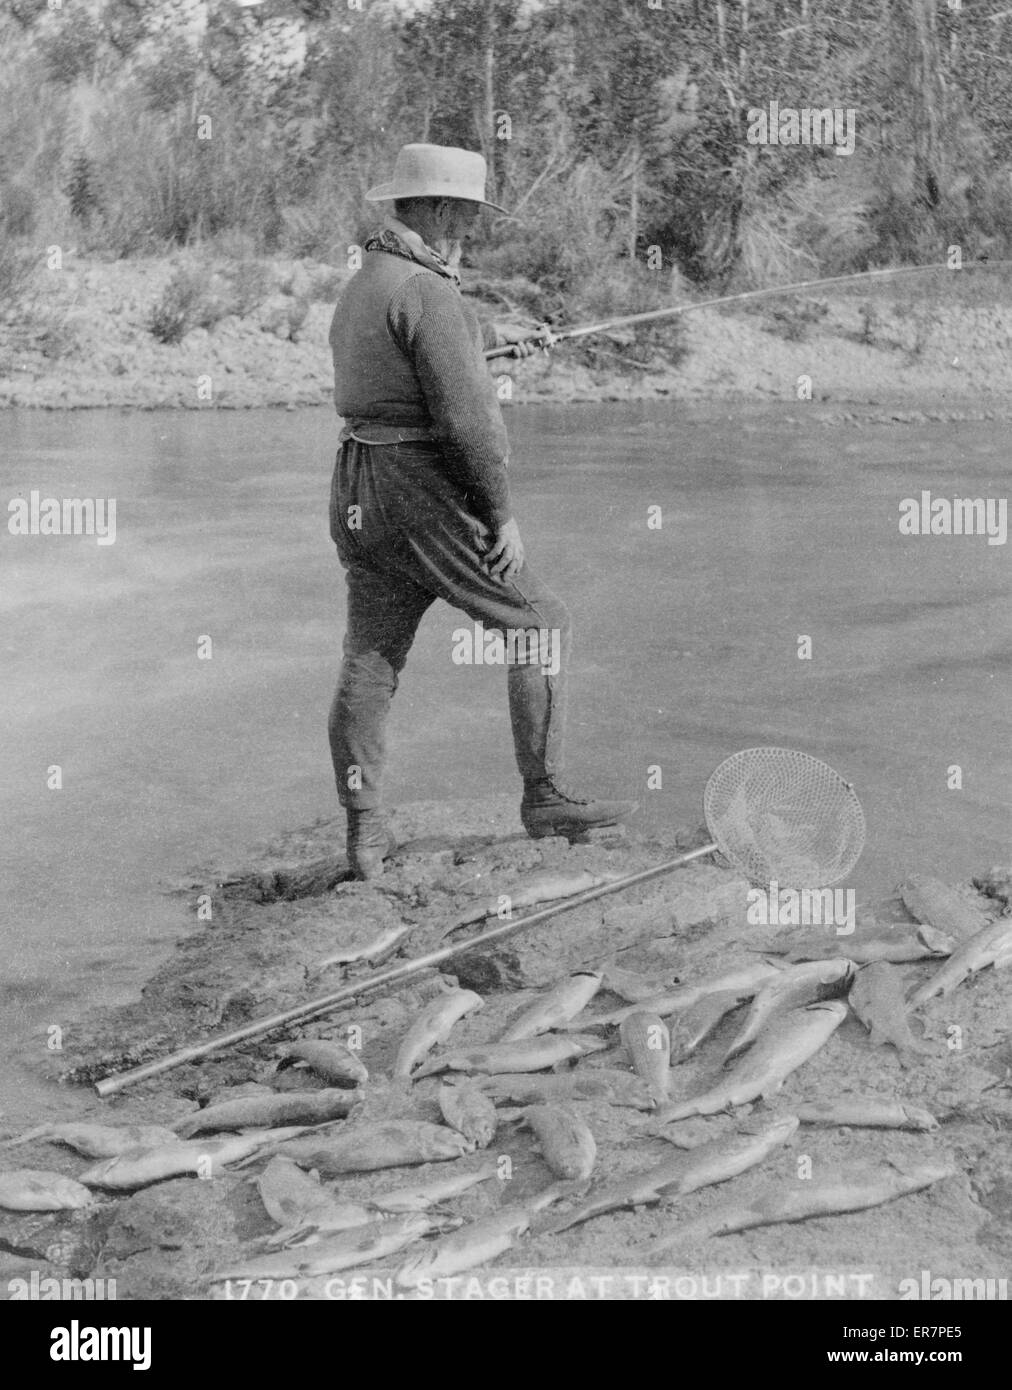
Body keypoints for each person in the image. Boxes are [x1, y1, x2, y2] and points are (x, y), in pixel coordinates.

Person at [327, 143, 636, 879]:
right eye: (465, 213)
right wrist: (500, 515)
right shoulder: (431, 292)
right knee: (539, 621)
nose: (470, 227)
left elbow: (403, 365)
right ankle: (546, 795)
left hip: (357, 484)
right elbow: (469, 425)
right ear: (435, 210)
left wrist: (491, 344)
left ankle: (365, 837)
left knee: (371, 659)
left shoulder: (366, 280)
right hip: (418, 487)